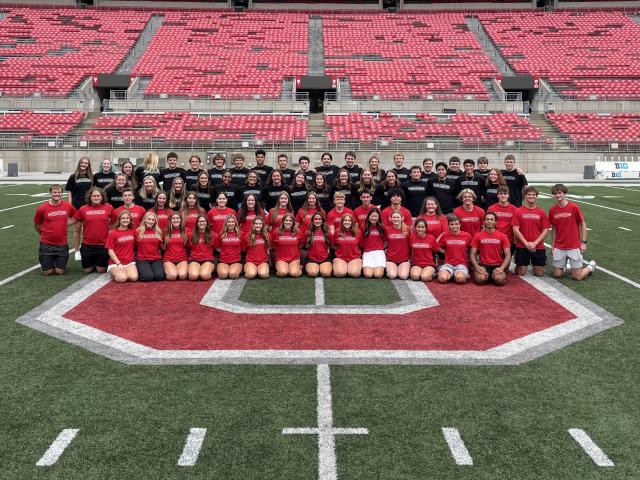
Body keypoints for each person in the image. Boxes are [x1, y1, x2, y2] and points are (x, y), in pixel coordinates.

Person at [549, 184, 596, 280]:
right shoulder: (552, 210)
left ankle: (591, 267)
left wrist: (583, 243)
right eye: (555, 193)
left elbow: (583, 224)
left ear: (564, 193)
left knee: (577, 277)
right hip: (559, 246)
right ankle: (568, 264)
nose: (557, 195)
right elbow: (554, 229)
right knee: (557, 274)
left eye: (559, 193)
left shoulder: (574, 207)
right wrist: (553, 246)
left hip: (573, 245)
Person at [34, 184, 76, 276]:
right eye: (54, 192)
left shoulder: (67, 206)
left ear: (61, 193)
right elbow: (37, 224)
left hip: (62, 244)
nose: (56, 194)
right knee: (47, 272)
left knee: (60, 272)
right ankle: (48, 263)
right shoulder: (42, 208)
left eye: (59, 192)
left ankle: (55, 263)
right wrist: (42, 233)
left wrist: (66, 224)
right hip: (46, 244)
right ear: (50, 193)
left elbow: (75, 216)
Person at [73, 187, 113, 274]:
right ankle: (91, 260)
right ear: (90, 197)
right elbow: (76, 229)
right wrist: (76, 251)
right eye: (94, 196)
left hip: (103, 245)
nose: (96, 198)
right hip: (87, 245)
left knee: (101, 270)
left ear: (102, 197)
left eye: (98, 196)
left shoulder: (109, 207)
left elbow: (113, 225)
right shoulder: (83, 209)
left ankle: (98, 261)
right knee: (87, 270)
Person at [512, 186, 549, 277]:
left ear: (536, 196)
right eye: (529, 194)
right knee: (521, 272)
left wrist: (534, 243)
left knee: (539, 273)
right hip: (522, 245)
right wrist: (526, 244)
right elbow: (515, 229)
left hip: (538, 246)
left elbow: (545, 229)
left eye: (533, 195)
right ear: (525, 196)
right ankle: (519, 265)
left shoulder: (541, 212)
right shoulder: (518, 211)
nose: (531, 196)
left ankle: (536, 263)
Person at [469, 212, 511, 286]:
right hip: (484, 264)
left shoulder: (502, 236)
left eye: (492, 220)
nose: (489, 221)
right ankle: (489, 276)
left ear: (495, 222)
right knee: (479, 280)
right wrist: (477, 267)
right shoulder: (478, 236)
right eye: (487, 219)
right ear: (484, 221)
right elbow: (472, 254)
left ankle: (495, 276)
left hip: (498, 264)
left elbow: (508, 255)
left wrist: (502, 268)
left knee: (499, 280)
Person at [66, 156, 93, 260]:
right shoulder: (73, 176)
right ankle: (77, 251)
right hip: (76, 206)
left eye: (86, 163)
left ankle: (86, 249)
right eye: (82, 162)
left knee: (87, 229)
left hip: (88, 206)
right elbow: (69, 191)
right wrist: (70, 204)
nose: (84, 164)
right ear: (79, 163)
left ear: (88, 165)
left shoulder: (91, 176)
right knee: (77, 228)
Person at [437, 214, 472, 284]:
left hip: (462, 264)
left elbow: (471, 249)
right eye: (452, 224)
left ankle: (458, 274)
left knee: (460, 279)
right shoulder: (445, 235)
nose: (454, 226)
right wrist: (446, 252)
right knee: (442, 279)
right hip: (448, 264)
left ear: (460, 225)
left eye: (456, 224)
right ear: (449, 226)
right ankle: (451, 273)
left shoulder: (467, 236)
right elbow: (436, 246)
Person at [105, 211, 138, 283]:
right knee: (122, 279)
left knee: (134, 278)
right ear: (119, 220)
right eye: (123, 218)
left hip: (129, 261)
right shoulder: (113, 233)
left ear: (130, 220)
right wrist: (118, 263)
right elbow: (110, 250)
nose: (125, 220)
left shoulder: (133, 231)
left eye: (127, 218)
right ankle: (113, 273)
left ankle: (124, 272)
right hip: (116, 262)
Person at [135, 212, 165, 282]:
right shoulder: (138, 231)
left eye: (153, 220)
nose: (150, 221)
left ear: (155, 221)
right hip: (142, 259)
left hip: (156, 259)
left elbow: (162, 246)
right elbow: (134, 246)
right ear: (145, 219)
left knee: (159, 277)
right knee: (147, 277)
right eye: (149, 219)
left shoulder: (159, 231)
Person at [487, 186, 518, 254]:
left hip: (509, 241)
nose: (503, 195)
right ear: (497, 195)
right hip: (494, 240)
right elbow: (487, 225)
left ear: (508, 195)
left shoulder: (515, 209)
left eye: (505, 193)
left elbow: (516, 227)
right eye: (500, 194)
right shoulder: (491, 208)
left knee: (506, 263)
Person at [270, 213, 302, 277]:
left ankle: (299, 268)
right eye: (286, 220)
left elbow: (301, 244)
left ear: (293, 222)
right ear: (283, 221)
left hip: (294, 258)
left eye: (290, 221)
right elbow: (271, 244)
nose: (288, 222)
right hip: (281, 258)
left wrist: (297, 257)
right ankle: (279, 268)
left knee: (294, 274)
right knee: (283, 273)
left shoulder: (298, 231)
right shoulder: (276, 231)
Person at [332, 213, 362, 278]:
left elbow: (361, 245)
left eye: (349, 220)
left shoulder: (358, 232)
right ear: (342, 221)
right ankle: (340, 267)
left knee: (354, 274)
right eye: (345, 220)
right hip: (340, 258)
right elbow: (333, 245)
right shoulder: (337, 231)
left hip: (354, 258)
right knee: (340, 273)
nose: (347, 222)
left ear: (352, 222)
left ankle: (351, 267)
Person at [303, 213, 333, 278]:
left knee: (326, 274)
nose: (317, 221)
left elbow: (333, 246)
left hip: (325, 258)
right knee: (313, 273)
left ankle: (322, 268)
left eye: (319, 219)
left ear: (322, 221)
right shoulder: (308, 233)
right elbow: (301, 246)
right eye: (315, 219)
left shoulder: (327, 233)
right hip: (311, 259)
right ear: (312, 221)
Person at [187, 214, 216, 281]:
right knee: (193, 276)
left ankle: (208, 269)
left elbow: (217, 248)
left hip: (207, 260)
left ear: (207, 223)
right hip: (194, 259)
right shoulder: (191, 235)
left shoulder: (213, 235)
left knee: (204, 276)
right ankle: (194, 269)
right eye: (200, 221)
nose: (202, 223)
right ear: (197, 223)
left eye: (204, 221)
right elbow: (188, 248)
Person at [214, 215, 243, 279]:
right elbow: (217, 247)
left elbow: (242, 247)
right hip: (223, 260)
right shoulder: (221, 233)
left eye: (232, 221)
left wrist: (234, 252)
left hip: (236, 260)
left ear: (235, 223)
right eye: (229, 222)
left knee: (233, 275)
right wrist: (225, 252)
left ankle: (237, 269)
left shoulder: (240, 233)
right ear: (226, 223)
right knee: (223, 275)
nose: (230, 223)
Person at [360, 208, 385, 279]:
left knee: (378, 275)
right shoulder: (363, 226)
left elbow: (385, 240)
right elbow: (361, 241)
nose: (374, 218)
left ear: (379, 217)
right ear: (368, 216)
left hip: (379, 253)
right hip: (367, 253)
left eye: (376, 216)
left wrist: (382, 249)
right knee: (368, 275)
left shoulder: (382, 227)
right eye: (372, 216)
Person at [162, 212, 188, 281]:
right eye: (173, 218)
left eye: (177, 218)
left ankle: (175, 270)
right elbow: (162, 246)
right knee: (172, 276)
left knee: (182, 276)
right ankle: (168, 270)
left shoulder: (186, 231)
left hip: (182, 259)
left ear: (181, 220)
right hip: (169, 259)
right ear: (170, 220)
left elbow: (189, 246)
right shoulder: (165, 231)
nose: (175, 220)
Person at [384, 211, 411, 280]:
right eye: (394, 217)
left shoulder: (407, 229)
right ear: (391, 218)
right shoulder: (387, 229)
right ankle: (389, 269)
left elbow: (411, 244)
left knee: (403, 276)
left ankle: (403, 268)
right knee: (392, 275)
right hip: (391, 259)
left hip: (404, 259)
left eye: (398, 217)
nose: (396, 219)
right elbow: (385, 244)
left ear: (402, 218)